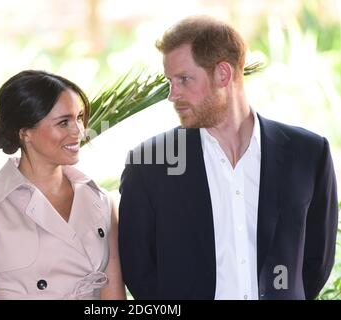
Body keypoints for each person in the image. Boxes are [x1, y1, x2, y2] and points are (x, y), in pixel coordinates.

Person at [118, 15, 338, 300]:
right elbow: (139, 271)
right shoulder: (149, 163)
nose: (173, 95)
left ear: (223, 74)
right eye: (170, 81)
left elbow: (316, 262)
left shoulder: (308, 153)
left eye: (184, 79)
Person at [0, 70, 126, 300]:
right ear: (25, 132)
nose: (79, 131)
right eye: (64, 122)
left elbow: (113, 295)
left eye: (79, 117)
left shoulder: (101, 202)